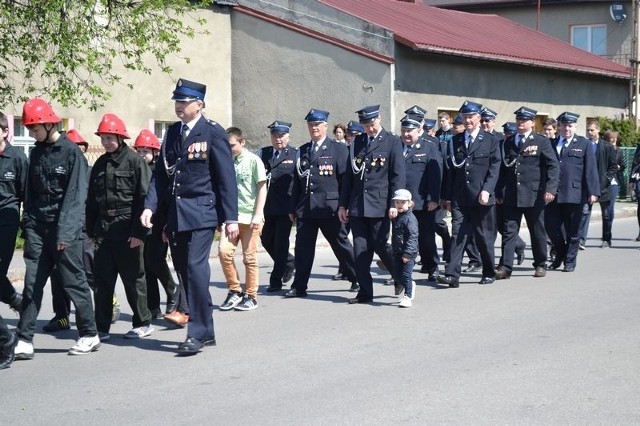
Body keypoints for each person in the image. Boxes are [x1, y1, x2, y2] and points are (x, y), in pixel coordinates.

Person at [141, 78, 238, 356]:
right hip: (176, 215)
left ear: (199, 104)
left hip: (202, 213)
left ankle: (195, 333)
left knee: (196, 271)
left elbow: (225, 178)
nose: (179, 106)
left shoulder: (213, 133)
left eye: (184, 101)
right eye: (177, 101)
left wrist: (230, 217)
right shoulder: (172, 133)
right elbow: (161, 176)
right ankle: (206, 331)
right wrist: (150, 207)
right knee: (185, 274)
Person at [15, 98, 100, 359]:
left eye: (34, 129)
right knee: (32, 284)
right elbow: (31, 194)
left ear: (49, 123)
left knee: (74, 283)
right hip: (38, 228)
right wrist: (28, 226)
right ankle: (24, 339)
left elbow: (75, 197)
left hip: (64, 231)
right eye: (29, 130)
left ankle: (89, 334)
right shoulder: (37, 151)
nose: (31, 134)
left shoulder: (72, 152)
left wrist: (64, 233)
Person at [87, 114, 153, 341]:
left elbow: (145, 199)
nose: (106, 142)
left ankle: (143, 322)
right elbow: (92, 201)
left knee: (134, 280)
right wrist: (91, 232)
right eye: (103, 138)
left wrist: (139, 233)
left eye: (109, 137)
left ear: (120, 136)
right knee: (103, 282)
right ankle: (102, 327)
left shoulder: (136, 162)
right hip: (104, 232)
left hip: (128, 231)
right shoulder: (99, 164)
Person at [285, 109, 358, 298]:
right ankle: (299, 286)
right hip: (306, 208)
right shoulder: (302, 150)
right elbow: (296, 181)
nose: (314, 128)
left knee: (341, 245)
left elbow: (345, 181)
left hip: (330, 208)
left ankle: (357, 278)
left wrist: (344, 205)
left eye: (317, 124)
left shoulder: (338, 149)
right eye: (311, 124)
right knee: (302, 249)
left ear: (325, 126)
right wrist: (293, 207)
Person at [339, 104, 405, 304]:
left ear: (379, 119)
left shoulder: (392, 142)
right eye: (366, 125)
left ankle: (400, 275)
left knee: (380, 245)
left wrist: (396, 202)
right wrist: (343, 205)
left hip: (380, 205)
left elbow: (397, 175)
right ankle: (365, 293)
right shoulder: (357, 143)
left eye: (372, 123)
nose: (370, 128)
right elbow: (349, 178)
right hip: (358, 206)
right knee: (360, 250)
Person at [436, 100, 500, 288]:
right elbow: (450, 171)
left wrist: (487, 190)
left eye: (471, 116)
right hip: (460, 197)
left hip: (481, 197)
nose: (468, 120)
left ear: (479, 118)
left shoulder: (490, 140)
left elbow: (495, 168)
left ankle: (488, 271)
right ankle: (452, 275)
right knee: (458, 235)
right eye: (465, 117)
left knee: (483, 236)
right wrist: (447, 196)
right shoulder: (455, 140)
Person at [495, 106, 559, 280]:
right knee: (509, 232)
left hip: (534, 194)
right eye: (518, 120)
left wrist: (551, 189)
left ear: (532, 122)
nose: (520, 123)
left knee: (537, 231)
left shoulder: (541, 141)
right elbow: (502, 169)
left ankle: (540, 264)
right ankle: (506, 267)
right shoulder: (507, 142)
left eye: (524, 120)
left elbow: (553, 165)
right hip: (512, 194)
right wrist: (499, 191)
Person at [133, 129, 188, 327]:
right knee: (146, 266)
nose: (141, 155)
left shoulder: (162, 171)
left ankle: (172, 289)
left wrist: (166, 224)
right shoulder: (138, 169)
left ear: (155, 152)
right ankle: (153, 305)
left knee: (155, 260)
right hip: (143, 223)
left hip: (160, 223)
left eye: (145, 151)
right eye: (139, 151)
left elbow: (166, 199)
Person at [218, 127, 267, 311]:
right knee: (224, 252)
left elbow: (262, 188)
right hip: (231, 218)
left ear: (242, 142)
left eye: (232, 146)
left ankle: (251, 295)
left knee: (249, 258)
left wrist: (258, 213)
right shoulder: (225, 161)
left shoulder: (254, 161)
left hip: (251, 217)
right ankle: (235, 290)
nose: (229, 149)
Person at [545, 112, 600, 272]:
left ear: (575, 127)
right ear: (559, 127)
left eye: (570, 126)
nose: (567, 129)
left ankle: (569, 261)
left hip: (574, 193)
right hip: (553, 193)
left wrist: (593, 191)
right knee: (551, 227)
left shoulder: (584, 144)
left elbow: (591, 169)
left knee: (573, 231)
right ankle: (560, 253)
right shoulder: (551, 142)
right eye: (564, 125)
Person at [399, 110, 442, 282]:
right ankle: (401, 272)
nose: (406, 134)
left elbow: (435, 175)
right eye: (404, 131)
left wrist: (434, 198)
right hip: (400, 202)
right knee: (401, 239)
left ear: (418, 131)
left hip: (422, 201)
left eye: (410, 131)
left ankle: (432, 267)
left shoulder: (428, 147)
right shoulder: (396, 146)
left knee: (425, 238)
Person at [257, 121, 296, 292]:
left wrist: (295, 207)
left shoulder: (295, 154)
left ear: (287, 136)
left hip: (286, 207)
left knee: (281, 243)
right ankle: (288, 262)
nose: (278, 139)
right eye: (274, 136)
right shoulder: (263, 153)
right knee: (265, 240)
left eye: (281, 136)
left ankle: (276, 279)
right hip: (267, 206)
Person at [0, 112, 27, 314]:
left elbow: (28, 195)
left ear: (5, 131)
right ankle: (17, 300)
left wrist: (28, 226)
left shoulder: (17, 158)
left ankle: (17, 301)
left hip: (6, 223)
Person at [578, 120, 617, 248]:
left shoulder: (607, 146)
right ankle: (581, 240)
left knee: (606, 214)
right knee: (584, 213)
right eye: (588, 130)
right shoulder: (583, 144)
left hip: (604, 186)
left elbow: (613, 166)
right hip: (588, 186)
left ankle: (607, 238)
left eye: (592, 130)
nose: (590, 132)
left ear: (598, 130)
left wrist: (605, 179)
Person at [390, 189, 418, 308]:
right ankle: (410, 284)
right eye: (397, 202)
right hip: (397, 251)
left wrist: (407, 254)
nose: (400, 205)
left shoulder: (410, 219)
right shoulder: (397, 216)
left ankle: (407, 297)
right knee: (396, 275)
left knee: (406, 275)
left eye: (403, 202)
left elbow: (413, 236)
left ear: (409, 203)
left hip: (408, 253)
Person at [604, 130, 625, 239]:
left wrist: (619, 167)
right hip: (602, 181)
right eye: (611, 138)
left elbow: (623, 165)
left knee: (610, 208)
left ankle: (607, 235)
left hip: (613, 182)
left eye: (615, 138)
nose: (614, 140)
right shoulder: (603, 149)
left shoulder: (619, 151)